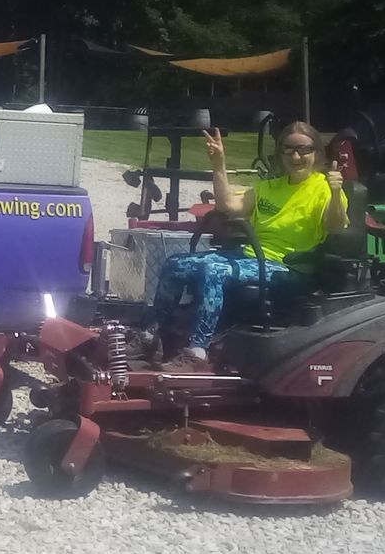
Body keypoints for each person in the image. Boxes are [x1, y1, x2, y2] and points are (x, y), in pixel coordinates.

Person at [137, 120, 349, 371]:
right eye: (289, 149)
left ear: (317, 152)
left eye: (304, 149)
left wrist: (336, 192)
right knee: (176, 264)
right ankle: (150, 337)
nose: (296, 156)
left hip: (288, 267)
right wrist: (218, 164)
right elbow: (228, 205)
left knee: (213, 270)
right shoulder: (269, 188)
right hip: (253, 259)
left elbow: (335, 226)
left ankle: (196, 352)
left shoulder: (324, 190)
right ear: (280, 153)